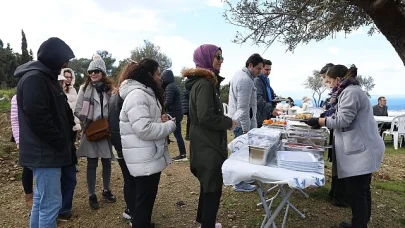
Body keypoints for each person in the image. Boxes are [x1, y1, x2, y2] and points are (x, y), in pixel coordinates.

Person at [304, 65, 385, 228]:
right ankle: (360, 223)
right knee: (361, 190)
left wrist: (320, 122)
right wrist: (324, 120)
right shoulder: (347, 92)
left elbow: (343, 120)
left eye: (329, 81)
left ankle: (359, 225)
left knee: (357, 192)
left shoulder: (351, 92)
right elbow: (338, 115)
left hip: (362, 150)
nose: (327, 84)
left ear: (338, 80)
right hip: (359, 148)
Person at [15, 37, 75, 228]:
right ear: (55, 59)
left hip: (45, 153)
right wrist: (60, 142)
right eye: (64, 60)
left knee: (41, 202)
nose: (66, 65)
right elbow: (39, 118)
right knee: (51, 206)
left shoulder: (45, 77)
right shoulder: (35, 79)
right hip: (45, 153)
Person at [119, 58, 176, 228]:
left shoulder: (143, 94)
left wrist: (160, 119)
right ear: (149, 75)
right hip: (144, 158)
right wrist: (169, 125)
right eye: (158, 73)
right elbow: (144, 129)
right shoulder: (138, 95)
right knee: (143, 202)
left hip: (146, 156)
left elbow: (144, 121)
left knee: (145, 201)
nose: (160, 78)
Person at [184, 44, 235, 228]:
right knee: (213, 188)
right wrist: (228, 122)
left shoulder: (204, 82)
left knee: (207, 185)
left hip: (205, 142)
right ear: (206, 58)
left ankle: (202, 221)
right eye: (218, 56)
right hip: (208, 145)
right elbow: (205, 116)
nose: (221, 60)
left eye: (221, 56)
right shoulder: (205, 84)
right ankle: (207, 224)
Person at [75, 54, 116, 210]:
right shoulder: (84, 88)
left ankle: (106, 190)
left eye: (96, 71)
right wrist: (89, 122)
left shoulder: (110, 90)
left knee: (106, 162)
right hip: (92, 131)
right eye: (90, 71)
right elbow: (78, 110)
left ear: (103, 72)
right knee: (91, 163)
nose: (92, 73)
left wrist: (107, 124)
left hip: (105, 131)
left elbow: (114, 109)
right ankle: (92, 194)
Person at [228, 53, 263, 192]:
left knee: (240, 152)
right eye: (258, 68)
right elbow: (243, 108)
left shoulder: (241, 75)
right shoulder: (245, 80)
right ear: (250, 65)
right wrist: (246, 130)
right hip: (242, 124)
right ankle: (238, 182)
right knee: (240, 154)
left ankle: (242, 178)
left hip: (238, 121)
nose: (259, 72)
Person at [108, 61, 136, 220]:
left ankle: (130, 210)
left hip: (120, 146)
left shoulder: (116, 95)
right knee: (132, 182)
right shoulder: (124, 97)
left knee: (129, 180)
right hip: (125, 147)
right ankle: (133, 213)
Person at [56, 75, 78, 222]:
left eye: (63, 81)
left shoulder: (63, 96)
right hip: (56, 146)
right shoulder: (49, 97)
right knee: (55, 180)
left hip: (67, 144)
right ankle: (55, 210)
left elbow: (71, 116)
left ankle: (64, 209)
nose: (62, 83)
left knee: (70, 178)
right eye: (60, 81)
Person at [10, 95, 34, 209]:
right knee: (27, 168)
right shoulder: (17, 97)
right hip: (25, 139)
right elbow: (15, 120)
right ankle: (29, 196)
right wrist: (19, 141)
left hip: (41, 139)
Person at [161, 69, 187, 161]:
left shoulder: (170, 87)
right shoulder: (173, 85)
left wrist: (160, 108)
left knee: (175, 134)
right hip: (177, 113)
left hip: (173, 113)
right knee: (177, 134)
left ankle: (182, 155)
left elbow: (168, 101)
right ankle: (183, 154)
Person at [60, 68, 81, 172]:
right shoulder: (59, 88)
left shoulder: (73, 90)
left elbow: (76, 107)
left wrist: (77, 122)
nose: (68, 79)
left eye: (70, 77)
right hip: (63, 122)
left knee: (72, 143)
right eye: (66, 77)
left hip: (73, 122)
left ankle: (73, 163)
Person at [254, 59, 279, 128]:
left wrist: (276, 100)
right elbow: (258, 99)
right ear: (261, 69)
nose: (268, 72)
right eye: (266, 70)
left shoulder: (266, 81)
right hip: (260, 118)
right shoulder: (257, 81)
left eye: (270, 70)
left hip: (267, 116)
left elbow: (270, 97)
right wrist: (271, 109)